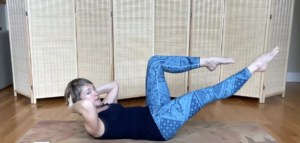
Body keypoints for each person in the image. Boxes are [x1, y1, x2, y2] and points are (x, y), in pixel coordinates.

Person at [64, 47, 280, 141]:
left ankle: (206, 62)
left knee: (155, 61)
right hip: (158, 126)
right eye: (88, 92)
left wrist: (92, 90)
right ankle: (255, 67)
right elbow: (86, 107)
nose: (94, 95)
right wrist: (75, 103)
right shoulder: (93, 124)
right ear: (78, 104)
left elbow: (114, 85)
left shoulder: (102, 106)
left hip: (154, 109)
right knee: (203, 94)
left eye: (92, 89)